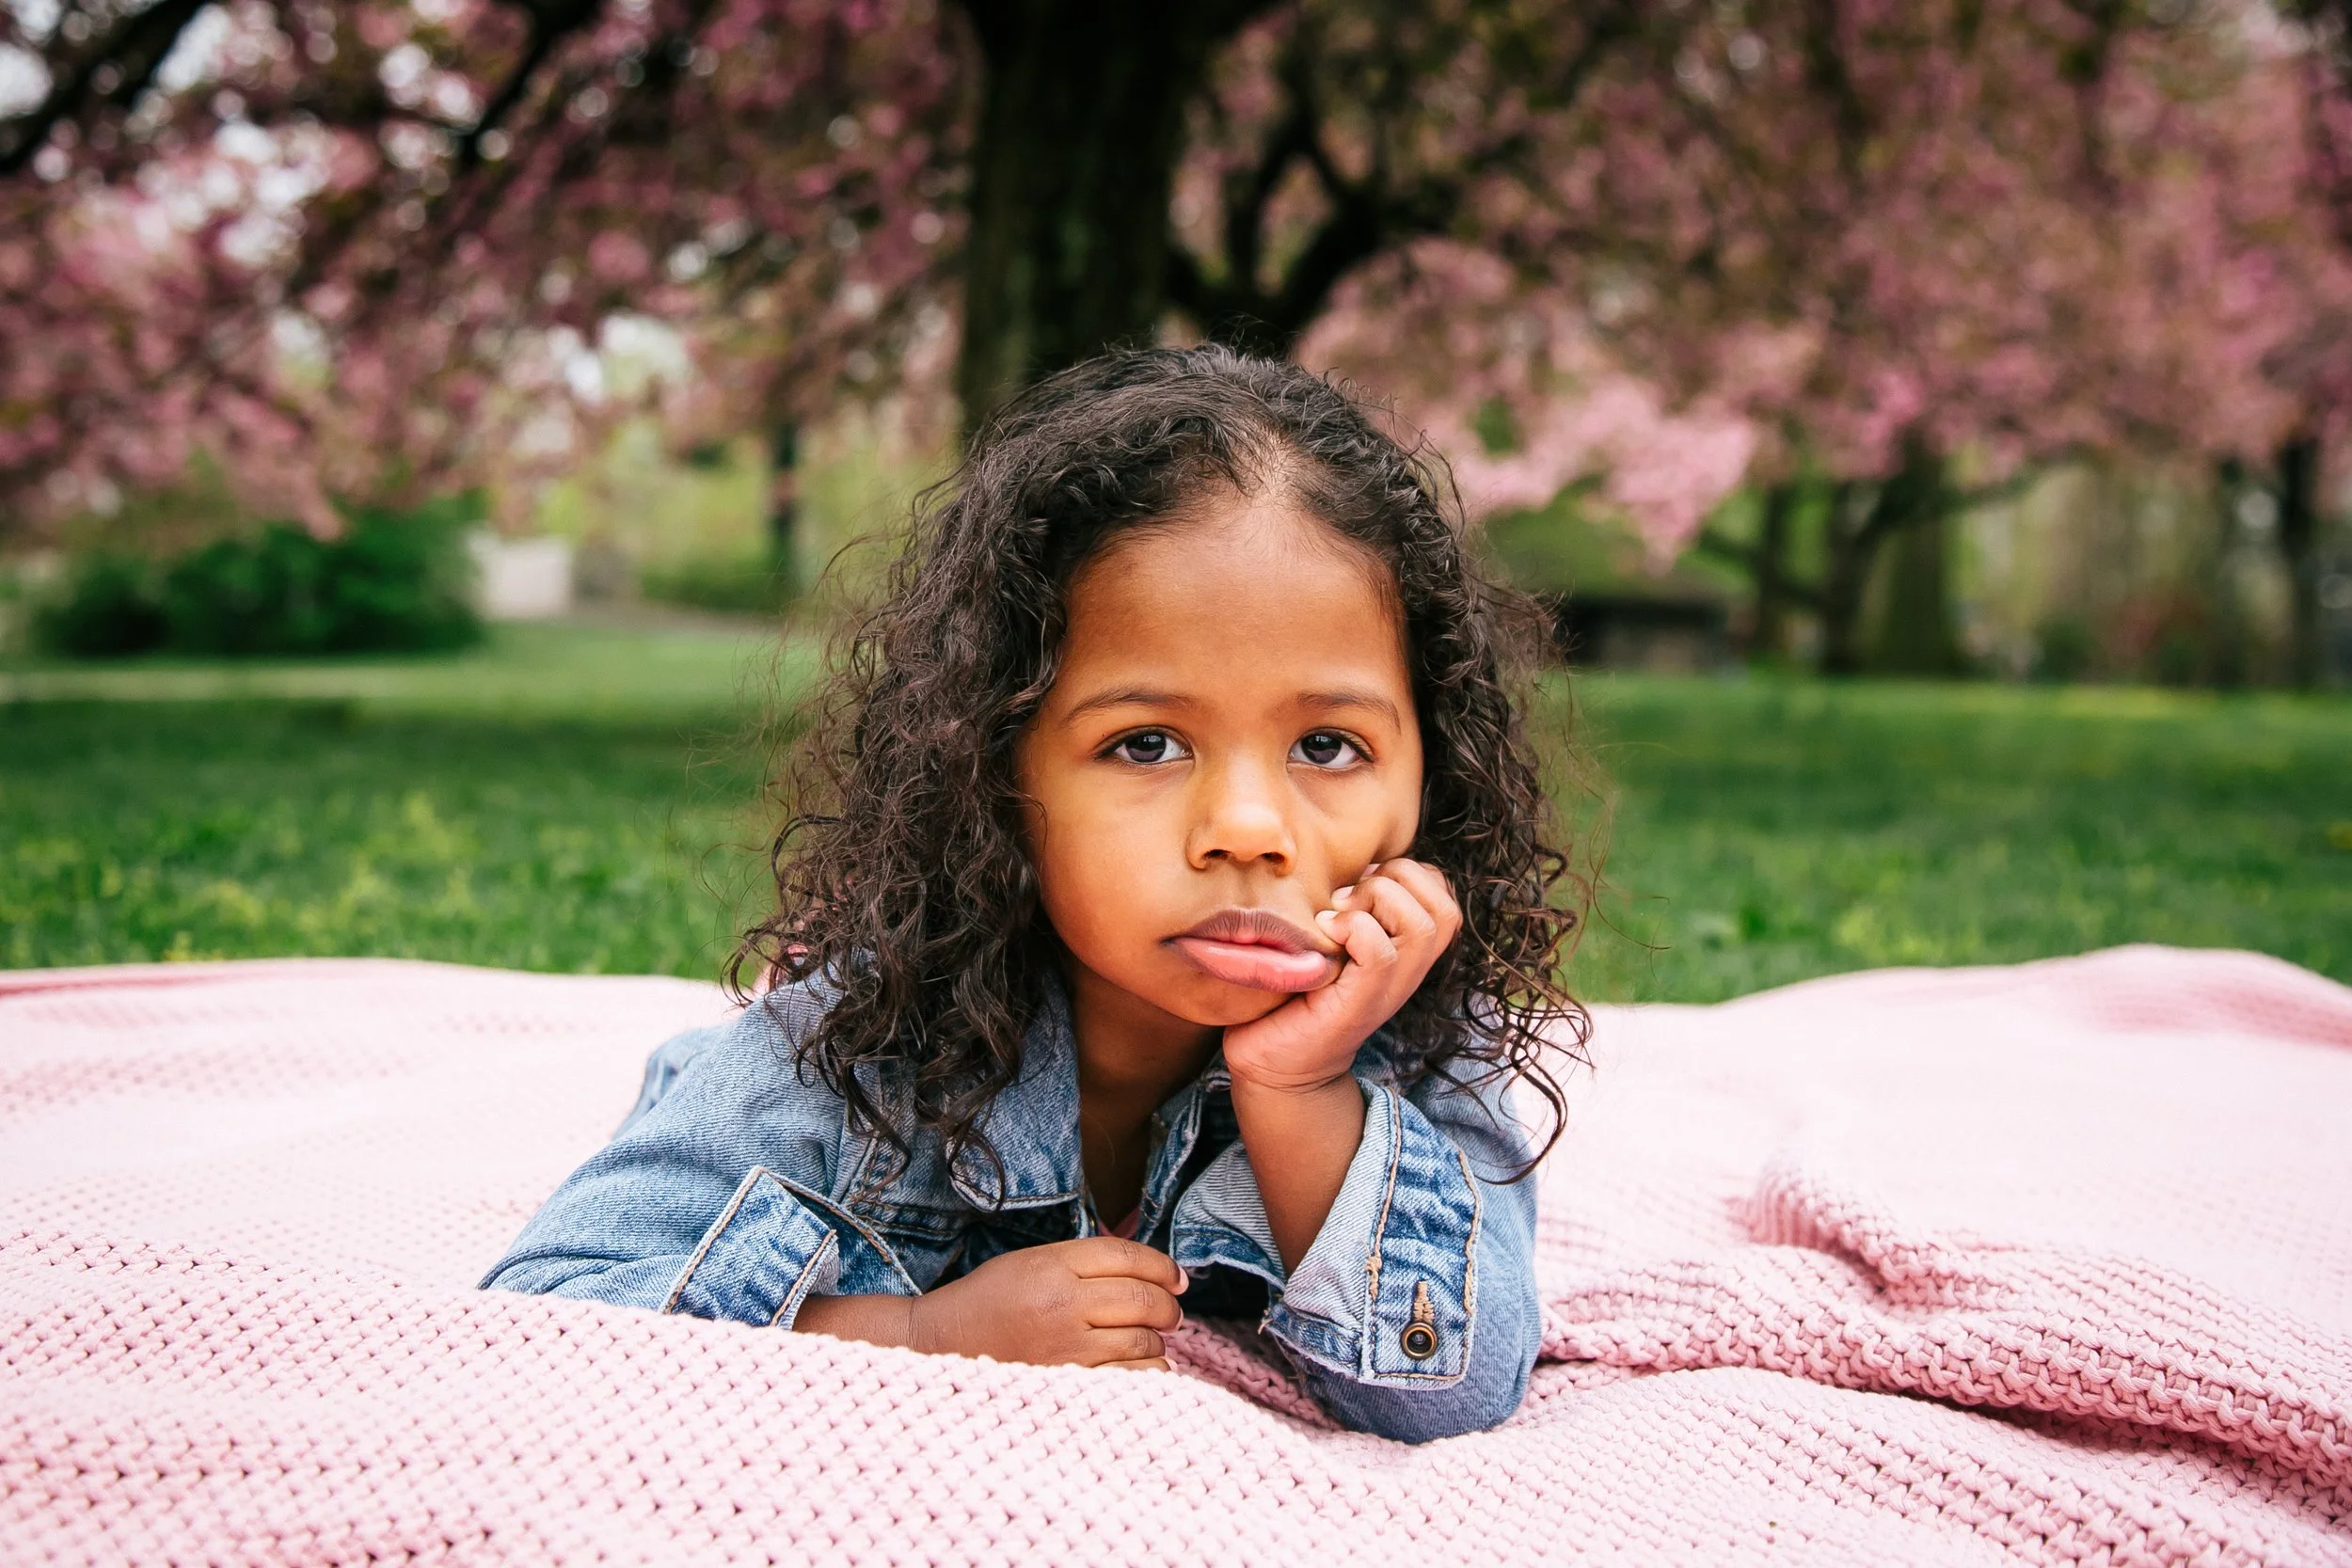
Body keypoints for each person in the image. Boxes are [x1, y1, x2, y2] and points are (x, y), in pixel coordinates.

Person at [483, 346, 1584, 1442]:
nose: (1249, 827)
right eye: (1146, 742)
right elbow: (546, 1317)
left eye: (1330, 745)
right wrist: (919, 1336)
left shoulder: (1420, 1030)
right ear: (997, 772)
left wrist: (1301, 1090)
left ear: (1426, 774)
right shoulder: (854, 1048)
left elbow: (1461, 1389)